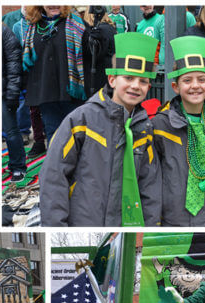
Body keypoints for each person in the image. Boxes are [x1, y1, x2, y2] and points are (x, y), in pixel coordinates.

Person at [40, 32, 161, 226]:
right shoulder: (81, 120)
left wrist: (152, 226)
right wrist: (55, 226)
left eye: (143, 81)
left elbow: (150, 186)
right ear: (112, 80)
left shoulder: (144, 129)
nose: (135, 86)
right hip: (84, 221)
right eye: (128, 78)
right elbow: (54, 175)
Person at [152, 36, 205, 226]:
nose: (195, 85)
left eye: (201, 80)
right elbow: (152, 175)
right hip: (171, 216)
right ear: (176, 86)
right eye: (187, 80)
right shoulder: (160, 126)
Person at [21, 6, 89, 149]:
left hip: (71, 92)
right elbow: (29, 61)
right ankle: (57, 170)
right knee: (53, 134)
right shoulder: (33, 27)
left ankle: (79, 169)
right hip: (46, 93)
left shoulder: (76, 23)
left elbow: (89, 54)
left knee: (77, 134)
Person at [3, 24, 26, 183]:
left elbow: (14, 65)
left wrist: (12, 92)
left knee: (11, 132)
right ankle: (13, 164)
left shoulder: (5, 33)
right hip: (3, 89)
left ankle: (18, 166)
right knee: (7, 132)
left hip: (5, 91)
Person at [82, 6, 117, 98]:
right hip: (110, 74)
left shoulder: (99, 31)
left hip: (99, 77)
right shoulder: (111, 28)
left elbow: (96, 54)